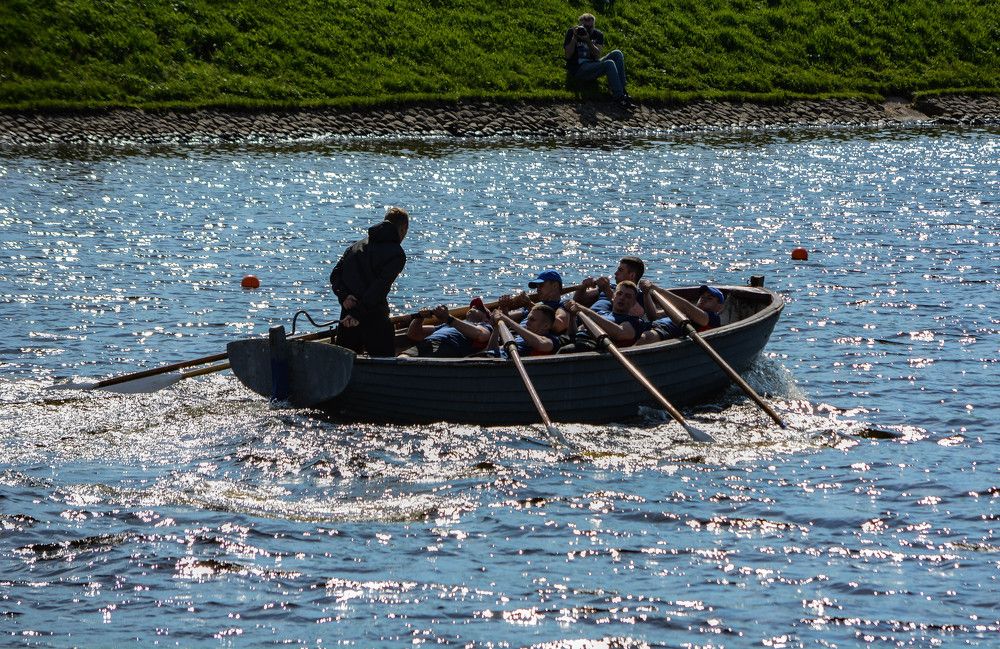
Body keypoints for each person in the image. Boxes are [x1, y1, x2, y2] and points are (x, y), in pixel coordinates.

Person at [329, 206, 409, 357]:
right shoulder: (397, 254)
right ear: (403, 229)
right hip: (373, 319)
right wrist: (357, 314)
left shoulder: (355, 246)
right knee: (385, 368)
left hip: (347, 319)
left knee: (346, 368)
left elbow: (335, 275)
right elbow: (379, 289)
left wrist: (344, 296)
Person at [563, 13, 632, 109]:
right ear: (579, 24)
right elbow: (568, 55)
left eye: (589, 27)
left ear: (593, 25)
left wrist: (588, 41)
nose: (586, 29)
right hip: (579, 68)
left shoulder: (598, 34)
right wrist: (574, 38)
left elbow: (597, 55)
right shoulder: (571, 32)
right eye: (584, 26)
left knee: (617, 53)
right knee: (609, 64)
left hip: (593, 64)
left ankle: (623, 91)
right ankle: (619, 97)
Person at [562, 280, 649, 352]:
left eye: (628, 296)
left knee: (566, 350)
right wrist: (572, 318)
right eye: (619, 294)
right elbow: (574, 335)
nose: (622, 298)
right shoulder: (601, 313)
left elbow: (620, 333)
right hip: (577, 341)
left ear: (633, 303)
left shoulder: (634, 321)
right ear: (613, 297)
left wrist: (586, 311)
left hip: (595, 345)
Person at [637, 282, 728, 345]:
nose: (703, 299)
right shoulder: (684, 312)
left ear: (719, 307)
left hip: (664, 332)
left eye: (709, 298)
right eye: (702, 297)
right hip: (650, 325)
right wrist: (646, 294)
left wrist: (657, 289)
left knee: (646, 337)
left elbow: (685, 306)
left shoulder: (713, 317)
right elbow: (654, 315)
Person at [399, 298, 493, 358]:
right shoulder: (447, 325)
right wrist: (420, 317)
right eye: (472, 306)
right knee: (402, 358)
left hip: (448, 346)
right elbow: (414, 334)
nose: (473, 306)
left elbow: (482, 335)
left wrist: (448, 319)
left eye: (478, 308)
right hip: (426, 343)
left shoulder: (485, 325)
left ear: (486, 318)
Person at [497, 269, 571, 334]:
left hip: (531, 342)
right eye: (537, 287)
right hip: (515, 336)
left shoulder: (563, 305)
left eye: (541, 286)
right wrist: (504, 308)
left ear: (555, 286)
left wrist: (529, 305)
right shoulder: (537, 305)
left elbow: (560, 325)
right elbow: (506, 321)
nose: (538, 290)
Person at [573, 256, 646, 317]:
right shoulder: (611, 287)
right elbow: (578, 299)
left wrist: (607, 290)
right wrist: (583, 286)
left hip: (604, 323)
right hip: (585, 318)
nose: (615, 273)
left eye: (620, 270)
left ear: (632, 275)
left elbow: (635, 314)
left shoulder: (637, 295)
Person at [488, 304, 561, 357]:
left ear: (546, 326)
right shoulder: (519, 338)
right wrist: (496, 328)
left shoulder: (551, 340)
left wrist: (508, 320)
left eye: (532, 320)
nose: (527, 323)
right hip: (490, 357)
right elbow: (492, 349)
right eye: (528, 319)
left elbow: (541, 342)